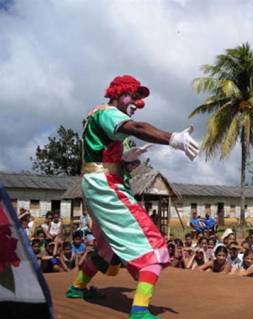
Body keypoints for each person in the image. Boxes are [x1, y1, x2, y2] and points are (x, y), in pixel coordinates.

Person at [65, 74, 200, 319]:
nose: (137, 103)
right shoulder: (108, 113)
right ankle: (139, 309)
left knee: (107, 249)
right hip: (105, 185)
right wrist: (172, 139)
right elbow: (136, 128)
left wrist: (125, 160)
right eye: (133, 96)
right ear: (117, 94)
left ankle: (77, 287)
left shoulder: (97, 116)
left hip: (96, 182)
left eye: (139, 98)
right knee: (153, 245)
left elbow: (101, 154)